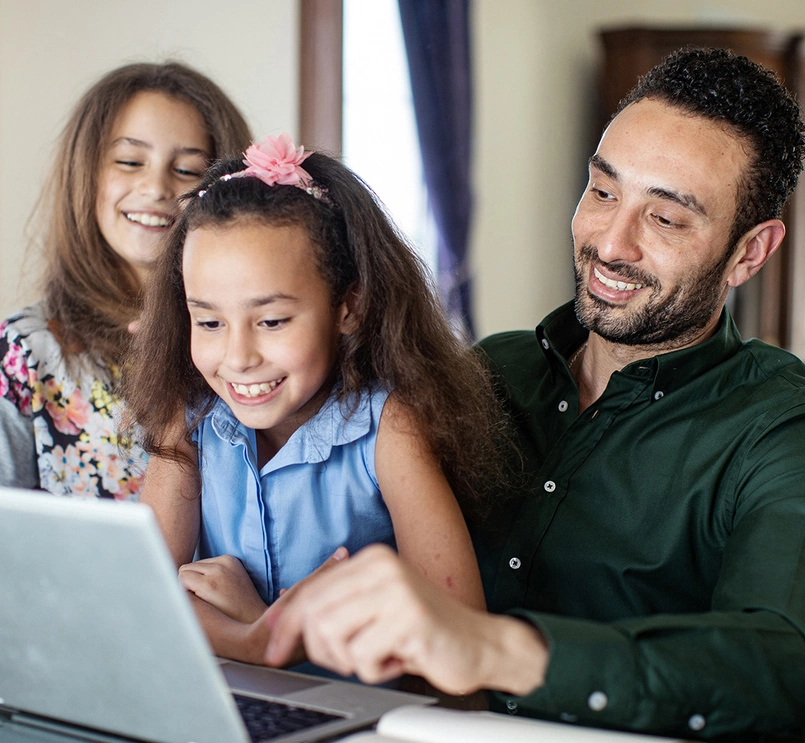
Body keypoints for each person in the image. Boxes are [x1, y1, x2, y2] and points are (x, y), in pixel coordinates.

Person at [262, 48, 805, 740]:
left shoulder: (779, 426)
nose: (611, 243)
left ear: (749, 253)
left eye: (665, 219)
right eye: (602, 192)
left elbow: (781, 664)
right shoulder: (491, 370)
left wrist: (496, 649)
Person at [123, 133, 506, 658]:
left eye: (272, 321)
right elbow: (142, 602)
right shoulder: (187, 418)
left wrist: (263, 630)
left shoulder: (391, 427)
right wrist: (257, 640)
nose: (238, 357)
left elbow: (459, 649)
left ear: (348, 307)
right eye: (209, 322)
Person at [0, 62, 251, 499]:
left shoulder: (250, 344)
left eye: (187, 170)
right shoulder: (24, 353)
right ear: (86, 175)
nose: (156, 188)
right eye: (130, 161)